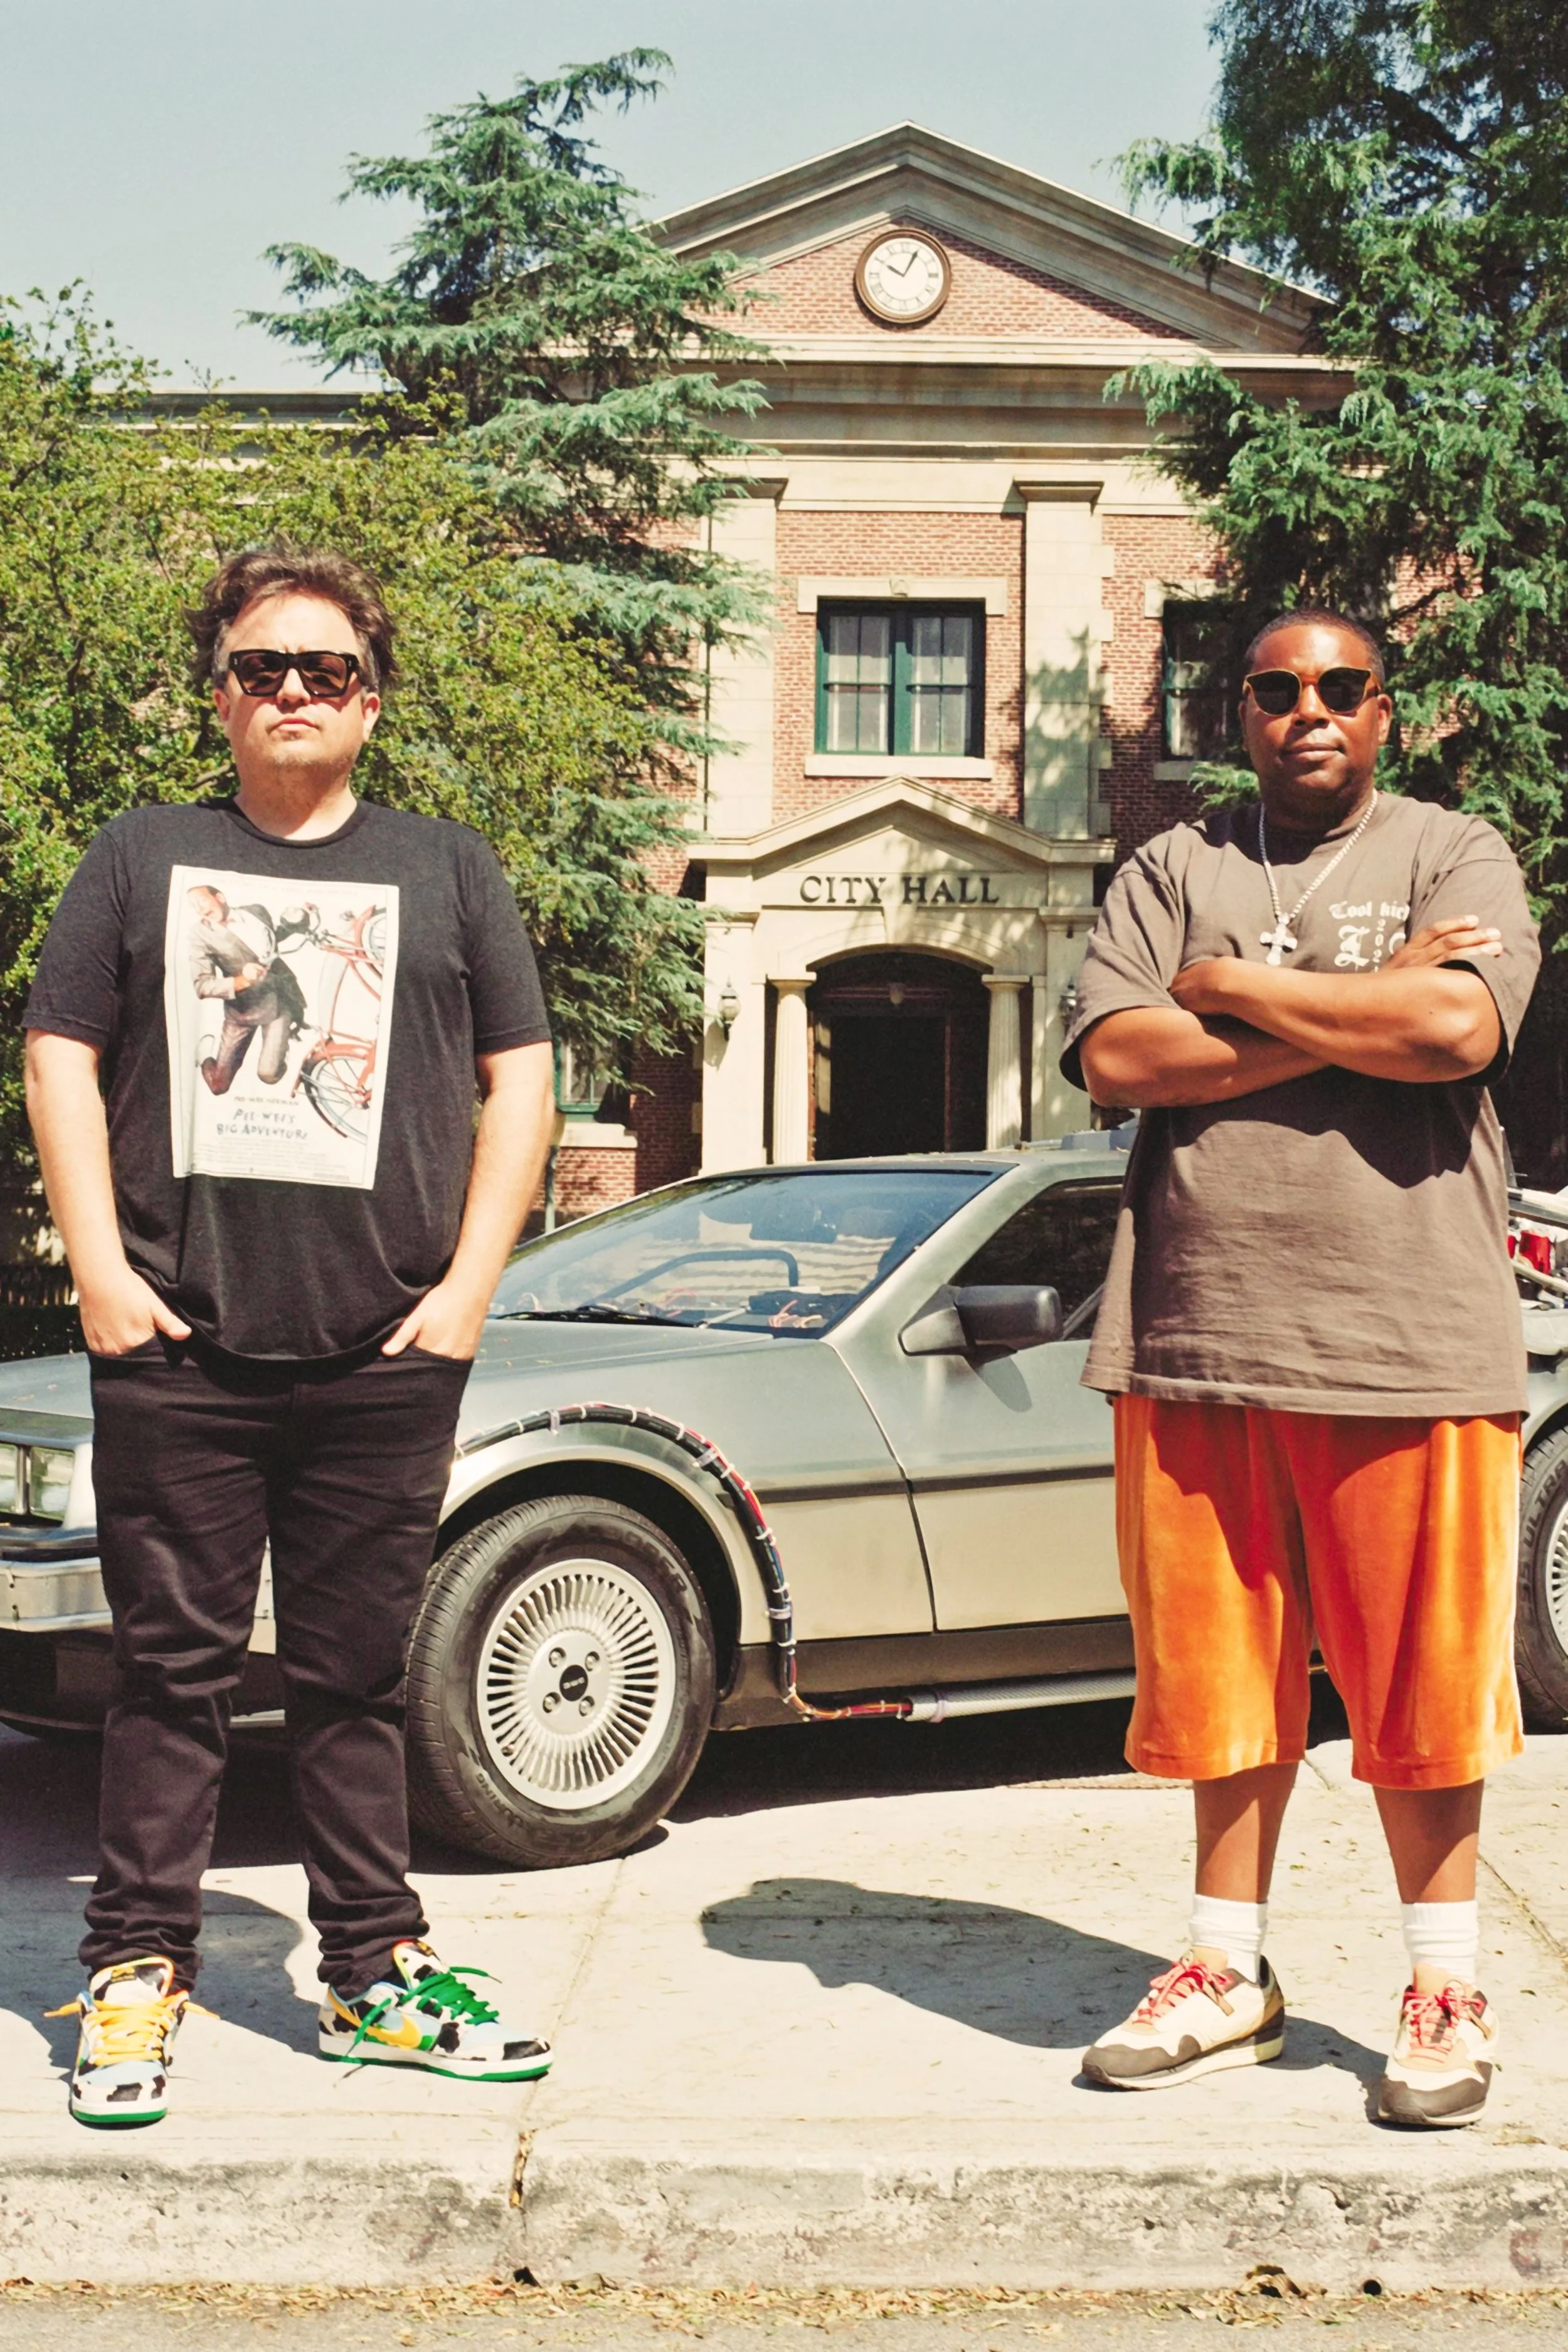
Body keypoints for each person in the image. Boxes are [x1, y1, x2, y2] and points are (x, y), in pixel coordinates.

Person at [25, 545, 558, 2128]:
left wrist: (468, 1288)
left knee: (355, 1681)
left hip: (383, 1352)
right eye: (264, 667)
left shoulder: (446, 868)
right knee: (168, 1678)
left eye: (324, 670)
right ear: (222, 694)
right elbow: (59, 1051)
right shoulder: (141, 858)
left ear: (368, 703)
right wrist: (99, 1272)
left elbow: (518, 1078)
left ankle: (372, 1979)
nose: (294, 692)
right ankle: (135, 1978)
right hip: (176, 1346)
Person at [1061, 608, 1538, 2127]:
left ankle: (1444, 1984)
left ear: (1382, 712)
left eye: (1338, 687)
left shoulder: (1452, 854)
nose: (1305, 710)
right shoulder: (1173, 864)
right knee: (1215, 1684)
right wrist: (1351, 1013)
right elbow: (1118, 1062)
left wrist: (1230, 991)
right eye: (1274, 691)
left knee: (1423, 1686)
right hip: (1195, 1330)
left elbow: (1455, 1025)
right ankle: (1223, 1969)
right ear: (1240, 713)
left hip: (1407, 1335)